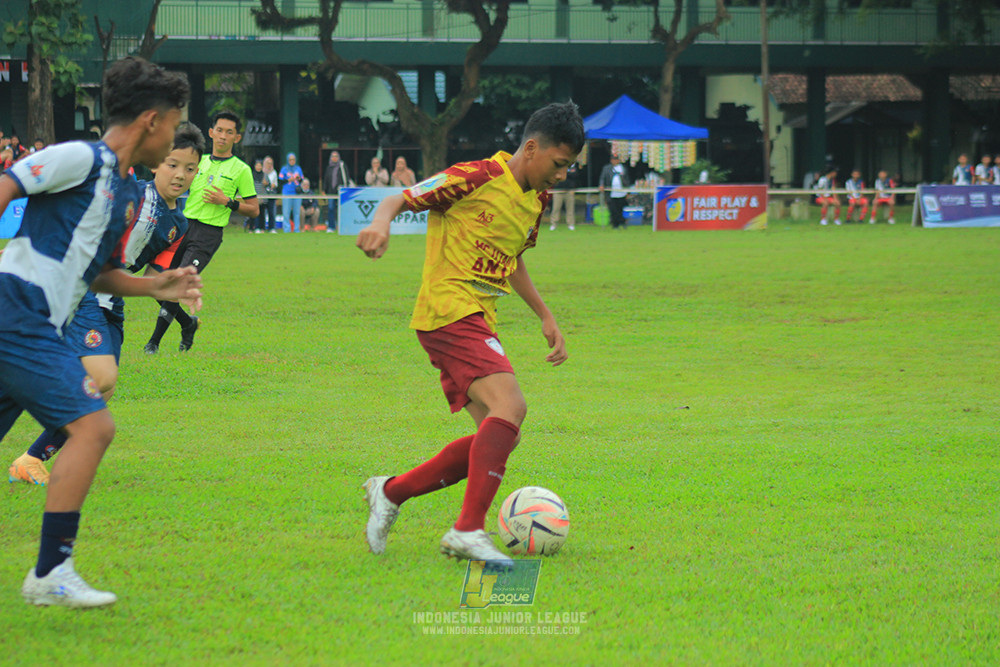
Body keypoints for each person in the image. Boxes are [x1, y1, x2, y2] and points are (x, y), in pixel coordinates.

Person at [0, 55, 200, 608]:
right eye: (175, 122)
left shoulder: (122, 191)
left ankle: (50, 573)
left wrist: (160, 288)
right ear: (153, 122)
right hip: (18, 313)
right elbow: (6, 187)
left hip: (36, 322)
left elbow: (100, 274)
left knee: (92, 426)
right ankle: (50, 572)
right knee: (94, 428)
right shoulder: (82, 157)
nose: (178, 154)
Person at [356, 101, 585, 566]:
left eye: (569, 167)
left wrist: (544, 313)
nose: (561, 176)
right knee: (512, 406)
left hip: (478, 317)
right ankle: (467, 530)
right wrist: (380, 224)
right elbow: (399, 198)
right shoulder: (476, 176)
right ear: (531, 147)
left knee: (499, 435)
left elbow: (512, 255)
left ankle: (390, 491)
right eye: (559, 164)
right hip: (447, 309)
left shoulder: (536, 201)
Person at [9, 123, 205, 487]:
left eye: (189, 169)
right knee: (100, 378)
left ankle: (30, 459)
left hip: (111, 301)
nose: (180, 175)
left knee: (103, 388)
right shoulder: (131, 195)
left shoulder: (179, 223)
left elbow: (153, 275)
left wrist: (174, 286)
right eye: (172, 164)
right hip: (82, 291)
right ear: (157, 164)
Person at [143, 109, 258, 355]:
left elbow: (254, 210)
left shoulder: (241, 169)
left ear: (236, 138)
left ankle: (153, 343)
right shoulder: (198, 162)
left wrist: (227, 201)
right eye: (219, 130)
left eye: (229, 132)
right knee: (154, 281)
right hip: (182, 228)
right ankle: (187, 323)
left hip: (208, 234)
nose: (223, 136)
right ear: (211, 132)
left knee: (178, 281)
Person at [322, 150, 351, 233]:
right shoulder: (329, 167)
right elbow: (326, 180)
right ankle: (331, 227)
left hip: (341, 191)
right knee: (331, 208)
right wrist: (324, 190)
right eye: (333, 156)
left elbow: (346, 178)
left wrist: (346, 189)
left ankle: (342, 226)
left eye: (336, 156)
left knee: (341, 209)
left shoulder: (342, 166)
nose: (334, 158)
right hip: (331, 192)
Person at [599, 154, 629, 229]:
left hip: (621, 192)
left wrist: (628, 191)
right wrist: (601, 185)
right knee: (613, 209)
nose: (614, 161)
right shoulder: (607, 168)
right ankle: (615, 224)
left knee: (620, 209)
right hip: (611, 193)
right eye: (613, 159)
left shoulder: (623, 168)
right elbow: (602, 177)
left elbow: (627, 179)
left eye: (616, 159)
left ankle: (621, 222)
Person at [549, 160, 578, 231]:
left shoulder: (574, 165)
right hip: (558, 190)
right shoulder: (558, 165)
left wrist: (565, 173)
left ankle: (570, 224)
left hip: (569, 191)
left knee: (570, 208)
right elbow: (556, 175)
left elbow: (575, 175)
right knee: (556, 208)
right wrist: (568, 173)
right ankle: (553, 224)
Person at [279, 152, 303, 232]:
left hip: (296, 193)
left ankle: (296, 229)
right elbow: (280, 181)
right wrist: (289, 179)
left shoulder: (298, 168)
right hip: (287, 193)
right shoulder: (284, 169)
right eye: (290, 160)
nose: (292, 161)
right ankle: (287, 229)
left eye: (293, 159)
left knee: (297, 212)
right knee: (286, 213)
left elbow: (302, 180)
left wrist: (298, 178)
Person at [261, 155, 279, 232]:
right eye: (268, 163)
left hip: (271, 194)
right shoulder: (261, 172)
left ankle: (272, 228)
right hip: (263, 194)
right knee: (262, 212)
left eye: (271, 163)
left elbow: (276, 183)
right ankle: (262, 228)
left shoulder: (274, 172)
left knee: (272, 212)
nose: (269, 165)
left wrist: (272, 185)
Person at [249, 159, 267, 233]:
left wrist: (266, 183)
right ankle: (251, 228)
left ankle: (262, 228)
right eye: (257, 165)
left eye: (260, 166)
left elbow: (268, 185)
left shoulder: (265, 175)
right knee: (252, 213)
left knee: (262, 213)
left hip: (262, 197)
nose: (258, 167)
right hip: (254, 197)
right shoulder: (251, 175)